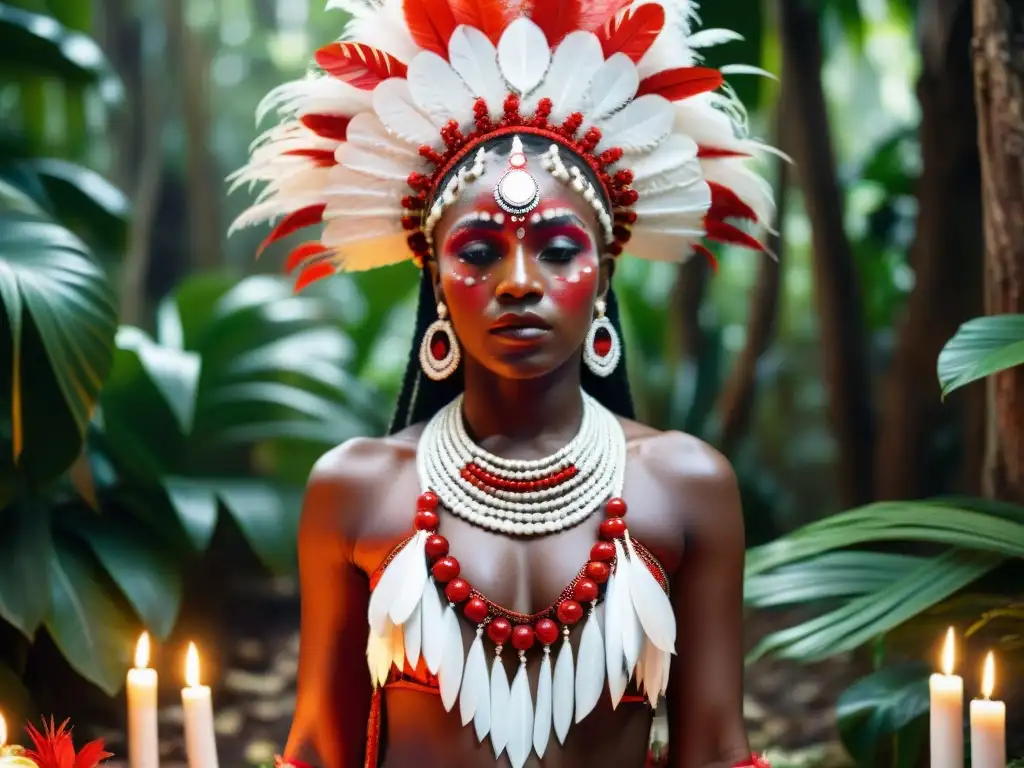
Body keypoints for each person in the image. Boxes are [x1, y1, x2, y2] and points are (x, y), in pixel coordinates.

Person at [231, 1, 777, 766]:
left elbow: (716, 750)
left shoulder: (687, 485)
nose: (519, 282)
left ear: (605, 275)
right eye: (480, 253)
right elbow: (323, 747)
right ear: (435, 280)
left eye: (557, 250)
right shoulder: (353, 489)